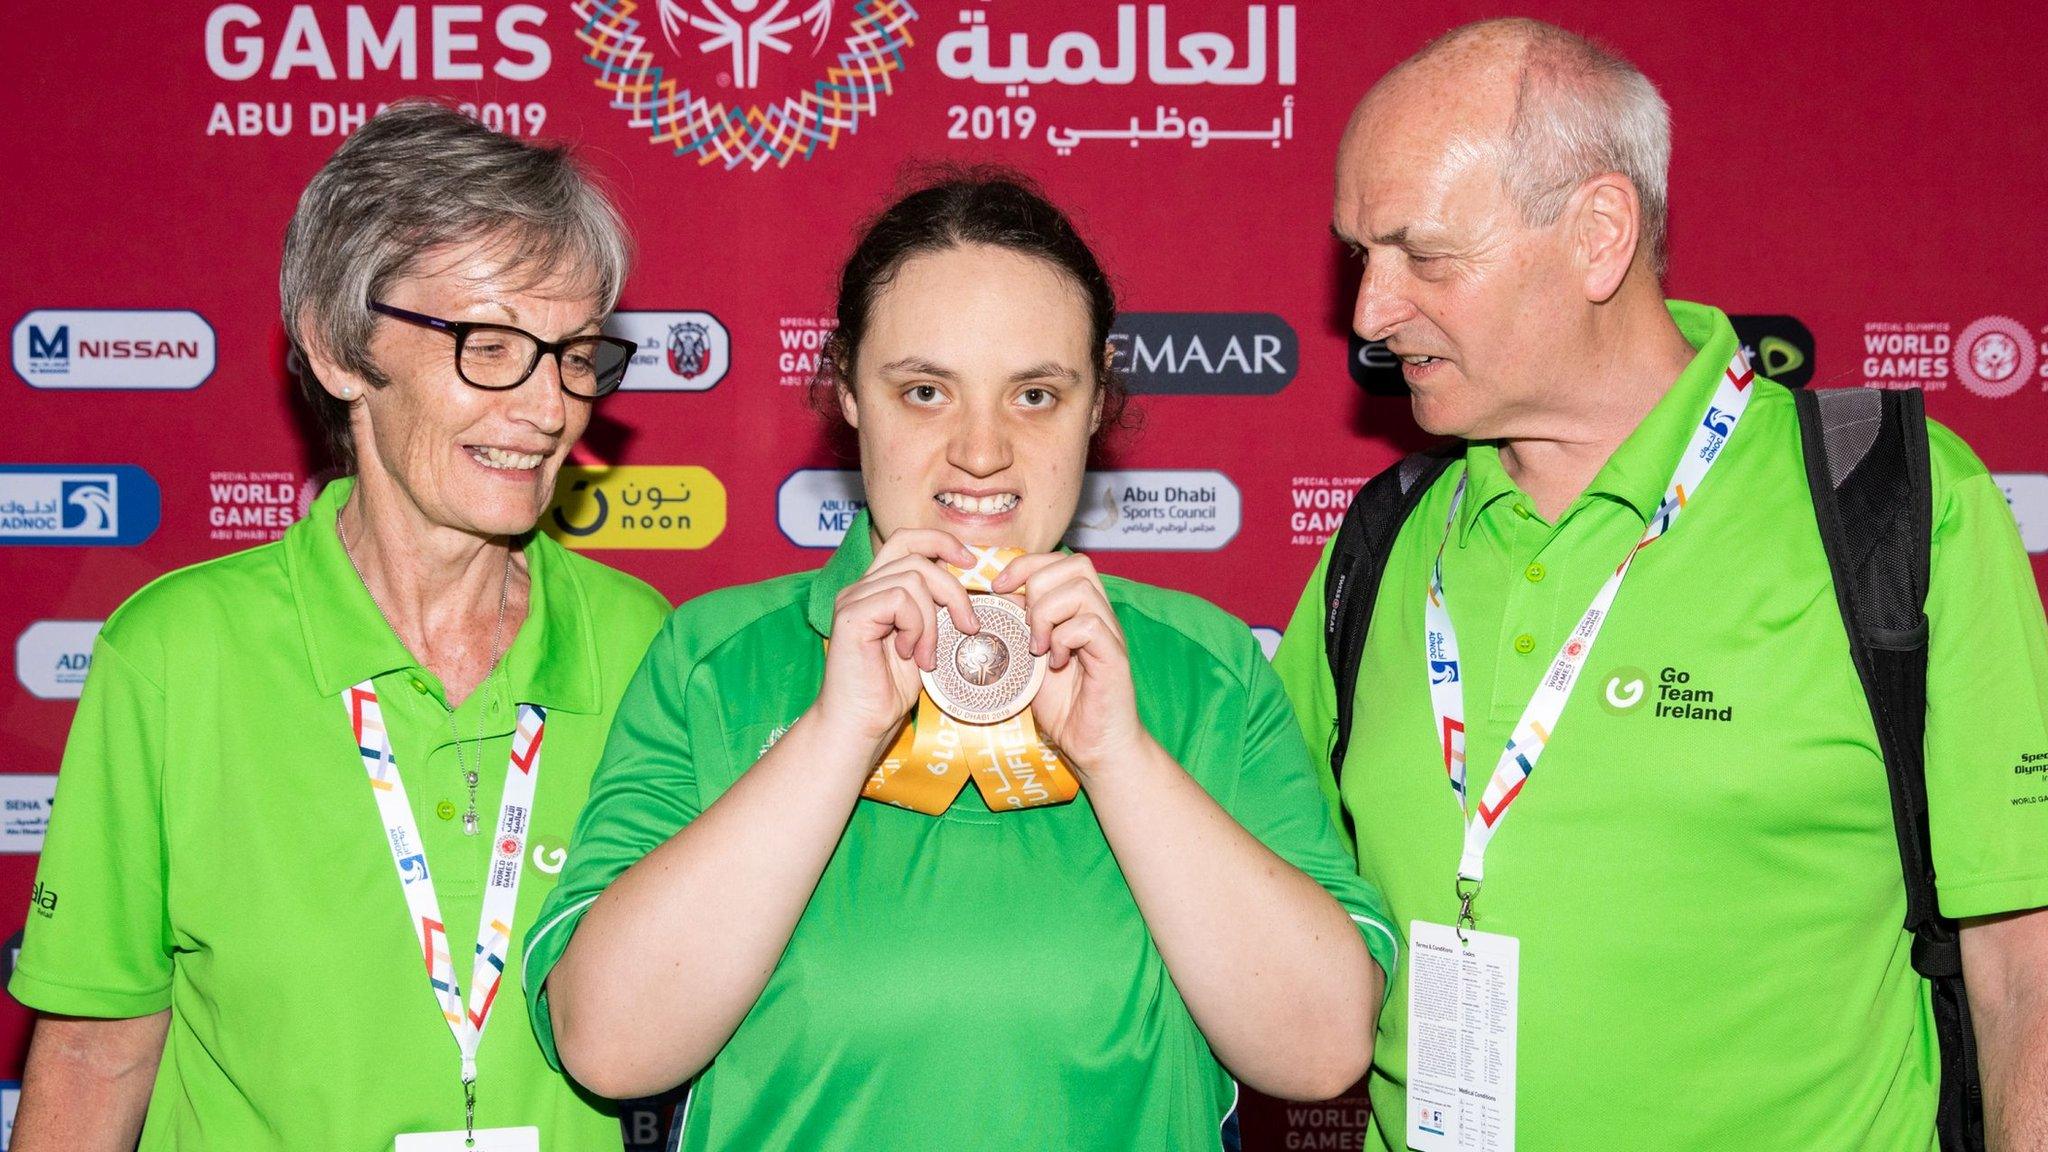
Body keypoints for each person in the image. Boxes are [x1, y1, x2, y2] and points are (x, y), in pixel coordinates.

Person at [1272, 18, 2048, 1152]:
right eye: (1359, 255)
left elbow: (2023, 965)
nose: (1368, 315)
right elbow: (1252, 878)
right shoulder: (1382, 544)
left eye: (1422, 255)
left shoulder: (1897, 505)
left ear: (1596, 235)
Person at [524, 173, 1398, 1150]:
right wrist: (833, 734)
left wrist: (1122, 758)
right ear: (849, 390)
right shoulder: (710, 658)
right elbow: (608, 1044)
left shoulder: (1207, 669)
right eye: (925, 391)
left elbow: (1321, 1050)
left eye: (1034, 393)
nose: (980, 450)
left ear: (1096, 402)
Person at [7, 102, 669, 1151]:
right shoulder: (178, 656)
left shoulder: (646, 647)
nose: (548, 408)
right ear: (337, 346)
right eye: (490, 345)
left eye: (574, 352)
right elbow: (94, 1053)